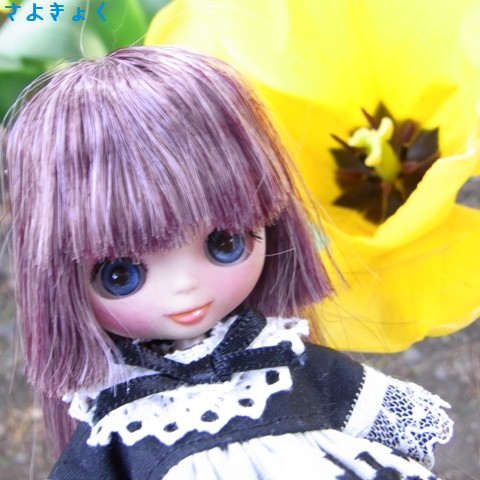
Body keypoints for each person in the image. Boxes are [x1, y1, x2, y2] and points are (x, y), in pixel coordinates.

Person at [4, 45, 452, 479]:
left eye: (225, 243)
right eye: (120, 275)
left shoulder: (277, 358)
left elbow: (391, 425)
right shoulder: (122, 417)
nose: (185, 286)